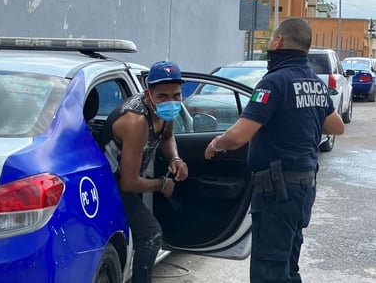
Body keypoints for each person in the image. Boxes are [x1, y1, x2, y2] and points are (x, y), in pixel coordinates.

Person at [204, 18, 344, 283]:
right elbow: (336, 126)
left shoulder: (274, 82)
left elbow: (240, 135)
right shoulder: (314, 82)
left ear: (278, 40)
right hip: (303, 188)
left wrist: (216, 144)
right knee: (288, 266)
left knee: (269, 271)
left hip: (277, 194)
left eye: (271, 39)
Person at [101, 61, 188, 283]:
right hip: (108, 181)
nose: (171, 102)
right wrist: (161, 184)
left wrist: (175, 158)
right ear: (149, 95)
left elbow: (167, 137)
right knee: (150, 234)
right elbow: (128, 183)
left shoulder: (166, 112)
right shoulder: (136, 121)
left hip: (127, 176)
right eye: (163, 96)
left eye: (176, 96)